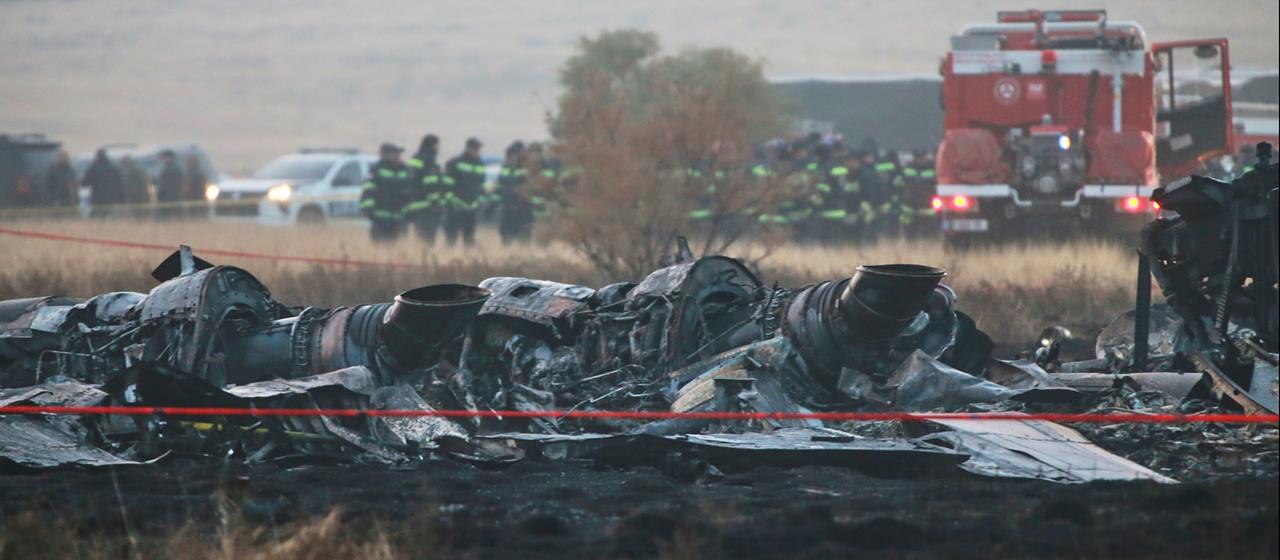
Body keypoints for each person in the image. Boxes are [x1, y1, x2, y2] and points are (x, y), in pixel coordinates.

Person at [359, 142, 414, 243]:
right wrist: (368, 208)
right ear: (384, 154)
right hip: (379, 219)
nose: (398, 156)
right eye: (395, 153)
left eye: (398, 153)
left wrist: (409, 212)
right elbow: (368, 190)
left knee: (398, 251)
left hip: (399, 219)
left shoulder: (406, 169)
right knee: (379, 248)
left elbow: (412, 191)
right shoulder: (375, 170)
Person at [443, 137, 486, 246]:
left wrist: (479, 201)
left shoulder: (480, 165)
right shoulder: (454, 163)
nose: (477, 150)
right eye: (475, 148)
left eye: (478, 148)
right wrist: (452, 200)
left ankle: (468, 260)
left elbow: (481, 186)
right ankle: (447, 258)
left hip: (471, 207)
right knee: (451, 237)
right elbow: (446, 186)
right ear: (468, 148)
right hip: (455, 207)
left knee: (469, 238)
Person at [405, 134, 446, 243]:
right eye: (438, 145)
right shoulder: (429, 160)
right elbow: (431, 183)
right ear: (433, 145)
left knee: (420, 238)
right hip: (427, 207)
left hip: (416, 204)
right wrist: (436, 202)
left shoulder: (416, 159)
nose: (439, 148)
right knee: (428, 239)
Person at [495, 141, 532, 243]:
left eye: (514, 154)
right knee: (506, 237)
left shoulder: (527, 169)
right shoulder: (505, 168)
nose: (511, 157)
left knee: (523, 238)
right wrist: (493, 204)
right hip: (507, 208)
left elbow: (533, 190)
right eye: (509, 154)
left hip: (523, 210)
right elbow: (499, 187)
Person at [82, 149, 125, 217]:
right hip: (112, 199)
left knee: (98, 219)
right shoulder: (114, 168)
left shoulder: (93, 168)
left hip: (98, 199)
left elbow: (84, 183)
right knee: (111, 219)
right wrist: (121, 199)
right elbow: (121, 184)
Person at [154, 150, 184, 219]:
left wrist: (159, 194)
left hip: (170, 197)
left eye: (165, 157)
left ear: (171, 158)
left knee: (168, 217)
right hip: (170, 197)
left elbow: (166, 184)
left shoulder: (172, 169)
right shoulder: (167, 168)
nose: (164, 159)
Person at [183, 153, 207, 218]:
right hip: (192, 196)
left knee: (196, 213)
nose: (189, 163)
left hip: (197, 196)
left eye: (191, 161)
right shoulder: (188, 172)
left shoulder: (198, 173)